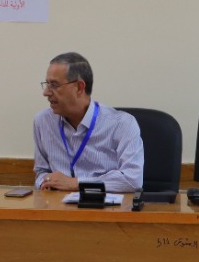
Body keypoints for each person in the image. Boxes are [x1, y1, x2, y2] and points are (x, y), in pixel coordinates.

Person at [32, 52, 143, 193]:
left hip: (104, 205)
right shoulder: (43, 121)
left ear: (79, 87)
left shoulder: (122, 124)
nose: (46, 92)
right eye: (47, 84)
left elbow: (132, 180)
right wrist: (46, 181)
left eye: (54, 85)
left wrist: (75, 183)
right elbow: (41, 172)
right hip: (58, 204)